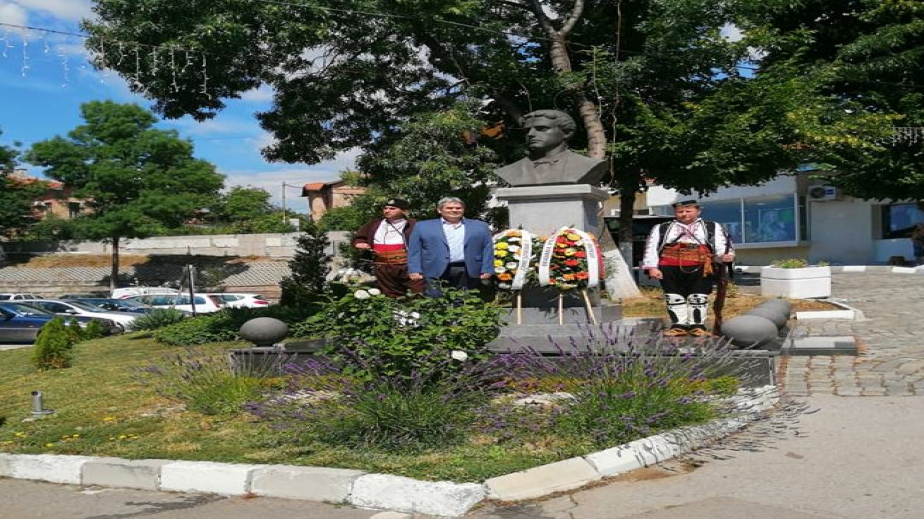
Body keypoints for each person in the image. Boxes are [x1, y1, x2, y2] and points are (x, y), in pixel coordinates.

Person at [641, 200, 736, 337]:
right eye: (680, 211)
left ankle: (697, 326)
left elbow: (722, 244)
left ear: (698, 211)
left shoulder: (711, 226)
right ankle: (678, 326)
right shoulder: (661, 228)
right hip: (668, 266)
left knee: (698, 296)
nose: (684, 214)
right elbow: (651, 247)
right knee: (673, 296)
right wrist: (652, 267)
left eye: (688, 211)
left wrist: (725, 256)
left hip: (701, 266)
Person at [495, 109, 609, 187]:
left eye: (542, 128)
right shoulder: (512, 170)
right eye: (527, 130)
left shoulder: (586, 165)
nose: (530, 134)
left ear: (566, 133)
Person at [407, 197, 495, 297]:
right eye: (449, 208)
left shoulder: (480, 226)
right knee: (436, 299)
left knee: (463, 299)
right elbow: (414, 250)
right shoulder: (422, 226)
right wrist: (414, 269)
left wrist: (487, 269)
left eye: (458, 208)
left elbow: (487, 248)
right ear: (439, 210)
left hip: (467, 268)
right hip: (434, 268)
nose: (454, 210)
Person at [352, 198, 425, 298]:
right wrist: (360, 243)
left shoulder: (414, 225)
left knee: (418, 293)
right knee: (391, 295)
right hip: (382, 266)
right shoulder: (374, 224)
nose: (387, 211)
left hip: (407, 265)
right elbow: (359, 238)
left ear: (404, 211)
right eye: (385, 208)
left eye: (392, 208)